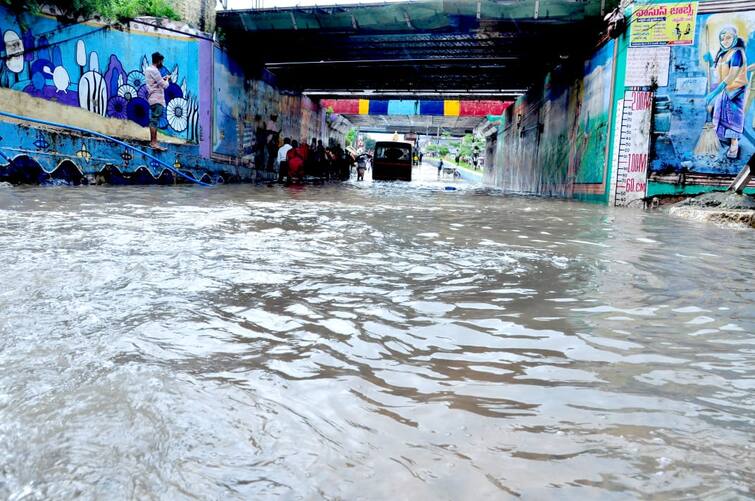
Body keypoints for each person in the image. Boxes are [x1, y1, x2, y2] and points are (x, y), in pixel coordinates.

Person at [705, 25, 749, 159]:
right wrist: (711, 60)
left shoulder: (737, 53)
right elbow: (719, 73)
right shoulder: (723, 54)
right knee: (722, 116)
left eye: (728, 37)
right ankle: (725, 142)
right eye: (722, 38)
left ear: (735, 39)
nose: (725, 41)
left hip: (735, 92)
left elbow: (731, 76)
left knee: (733, 118)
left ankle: (734, 146)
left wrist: (714, 93)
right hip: (724, 91)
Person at [145, 52, 171, 151]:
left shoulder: (148, 69)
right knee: (154, 120)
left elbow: (154, 82)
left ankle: (154, 142)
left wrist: (162, 79)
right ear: (159, 60)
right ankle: (153, 142)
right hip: (157, 99)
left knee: (154, 119)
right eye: (162, 61)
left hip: (152, 98)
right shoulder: (155, 71)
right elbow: (164, 86)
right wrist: (167, 79)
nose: (162, 63)